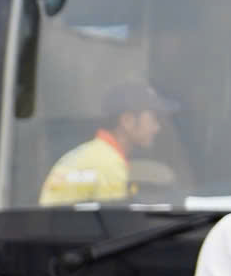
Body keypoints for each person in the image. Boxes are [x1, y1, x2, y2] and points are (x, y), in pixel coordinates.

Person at [40, 82, 172, 206]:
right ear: (127, 121)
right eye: (153, 119)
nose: (157, 128)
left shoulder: (95, 154)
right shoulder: (109, 165)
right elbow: (115, 225)